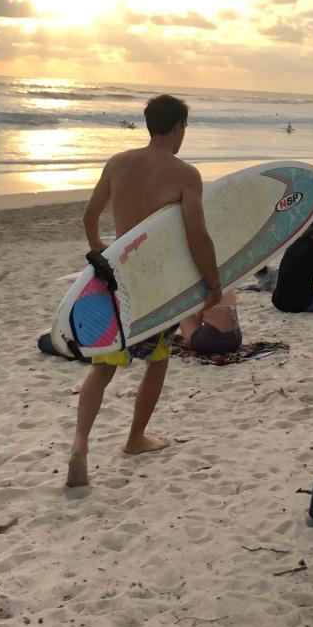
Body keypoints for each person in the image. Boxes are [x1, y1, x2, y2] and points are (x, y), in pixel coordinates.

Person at [67, 94, 220, 488]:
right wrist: (213, 282)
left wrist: (99, 246)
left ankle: (80, 444)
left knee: (102, 367)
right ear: (178, 128)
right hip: (155, 284)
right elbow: (198, 236)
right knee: (157, 360)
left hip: (116, 277)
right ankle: (135, 438)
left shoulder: (118, 163)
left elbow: (90, 216)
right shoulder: (185, 175)